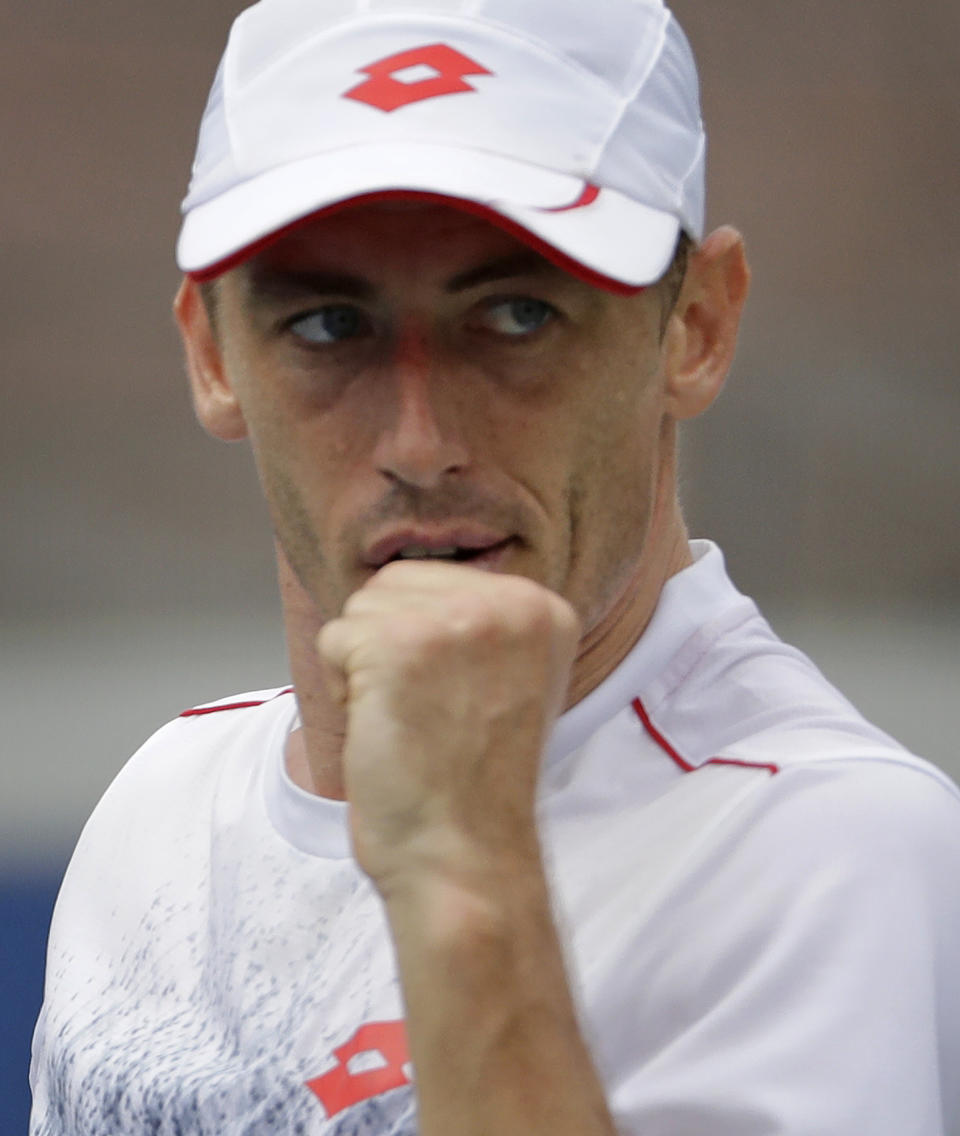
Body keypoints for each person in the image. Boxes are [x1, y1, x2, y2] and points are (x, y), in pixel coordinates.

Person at [29, 0, 960, 1132]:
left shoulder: (833, 854)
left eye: (518, 314)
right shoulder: (160, 812)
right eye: (328, 325)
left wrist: (461, 874)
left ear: (698, 326)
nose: (420, 443)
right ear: (211, 352)